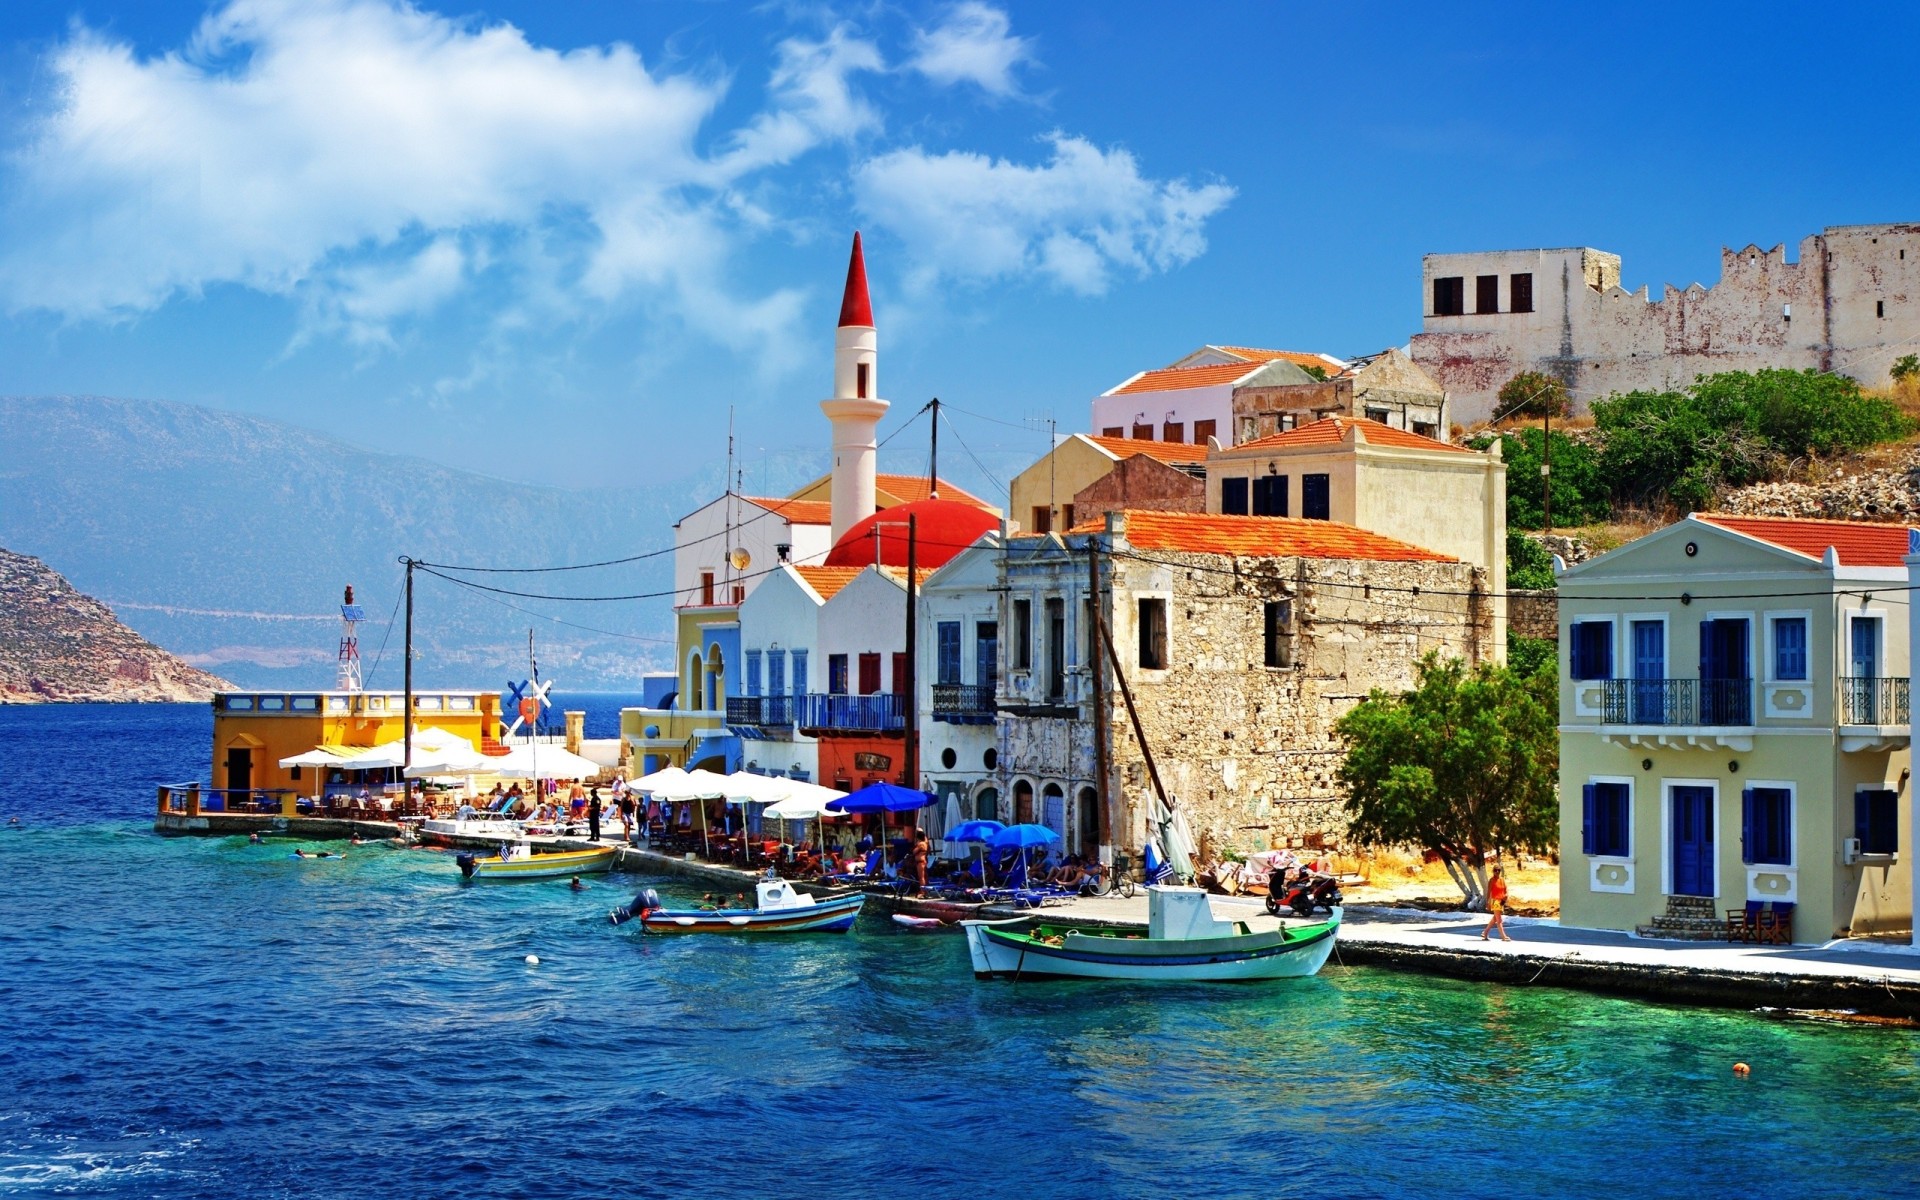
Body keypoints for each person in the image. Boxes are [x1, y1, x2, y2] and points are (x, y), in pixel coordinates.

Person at [1481, 864, 1512, 942]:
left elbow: (1505, 889)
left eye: (1499, 870)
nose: (1497, 872)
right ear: (1493, 871)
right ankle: (1503, 936)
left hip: (1501, 901)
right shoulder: (1491, 880)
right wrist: (1488, 902)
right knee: (1499, 920)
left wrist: (1506, 895)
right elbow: (1488, 892)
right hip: (1495, 901)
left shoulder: (1502, 879)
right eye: (1495, 870)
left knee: (1495, 918)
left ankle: (1485, 932)